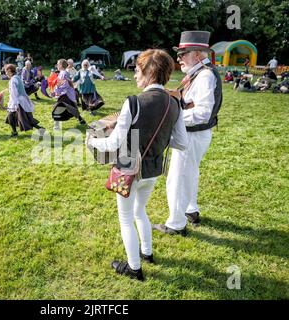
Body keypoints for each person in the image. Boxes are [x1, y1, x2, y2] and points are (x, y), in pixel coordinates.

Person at [86, 49, 188, 281]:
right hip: (152, 171)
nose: (134, 75)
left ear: (150, 72)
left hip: (128, 170)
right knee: (140, 211)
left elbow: (114, 142)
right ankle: (147, 253)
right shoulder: (175, 103)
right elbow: (181, 143)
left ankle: (134, 268)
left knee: (125, 219)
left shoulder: (133, 102)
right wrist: (159, 138)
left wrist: (93, 140)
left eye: (138, 70)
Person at [152, 30, 223, 235]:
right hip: (194, 135)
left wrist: (172, 118)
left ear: (199, 55)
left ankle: (175, 223)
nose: (179, 58)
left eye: (184, 53)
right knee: (190, 173)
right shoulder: (199, 73)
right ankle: (191, 210)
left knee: (177, 177)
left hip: (192, 134)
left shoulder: (205, 76)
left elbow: (202, 113)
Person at [2, 64, 45, 138]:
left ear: (9, 71)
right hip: (21, 101)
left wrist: (13, 105)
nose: (5, 73)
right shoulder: (16, 77)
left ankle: (41, 129)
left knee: (26, 119)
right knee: (11, 117)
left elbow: (14, 94)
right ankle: (14, 132)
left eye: (6, 71)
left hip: (19, 102)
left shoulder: (13, 80)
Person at [52, 59, 87, 130]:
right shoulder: (63, 73)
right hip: (67, 94)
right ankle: (81, 120)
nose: (57, 65)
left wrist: (57, 90)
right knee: (73, 108)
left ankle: (56, 126)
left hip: (65, 95)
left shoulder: (64, 73)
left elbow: (64, 85)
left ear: (61, 65)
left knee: (57, 108)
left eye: (58, 64)